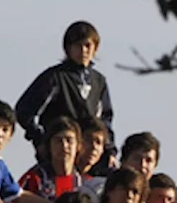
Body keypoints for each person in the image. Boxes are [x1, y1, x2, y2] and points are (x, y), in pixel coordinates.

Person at [14, 21, 115, 157]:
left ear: (95, 47)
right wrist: (41, 139)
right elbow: (24, 110)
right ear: (68, 48)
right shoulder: (54, 78)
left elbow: (105, 120)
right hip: (59, 153)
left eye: (87, 45)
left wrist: (109, 150)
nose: (83, 50)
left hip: (90, 156)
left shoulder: (99, 81)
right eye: (77, 45)